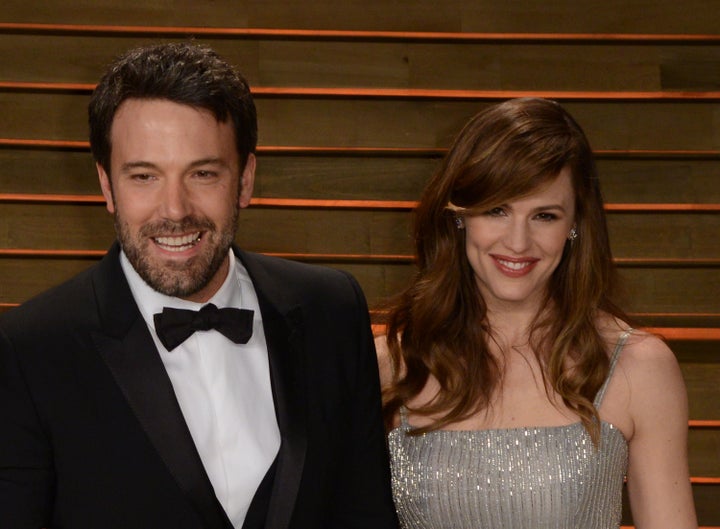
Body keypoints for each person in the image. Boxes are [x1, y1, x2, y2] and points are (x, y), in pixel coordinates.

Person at [0, 42, 398, 529]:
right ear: (106, 186)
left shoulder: (332, 308)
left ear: (246, 179)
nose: (174, 209)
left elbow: (364, 512)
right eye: (144, 176)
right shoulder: (27, 349)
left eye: (203, 173)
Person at [376, 98, 697, 529]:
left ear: (575, 225)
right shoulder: (389, 364)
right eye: (497, 210)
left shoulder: (640, 368)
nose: (518, 242)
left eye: (544, 215)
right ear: (460, 216)